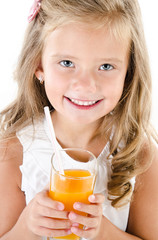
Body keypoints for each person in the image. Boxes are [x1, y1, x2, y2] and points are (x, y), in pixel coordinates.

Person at [0, 0, 158, 239]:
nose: (85, 85)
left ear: (129, 72)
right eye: (67, 63)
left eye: (105, 66)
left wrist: (104, 232)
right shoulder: (13, 152)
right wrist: (27, 227)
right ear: (38, 64)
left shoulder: (139, 154)